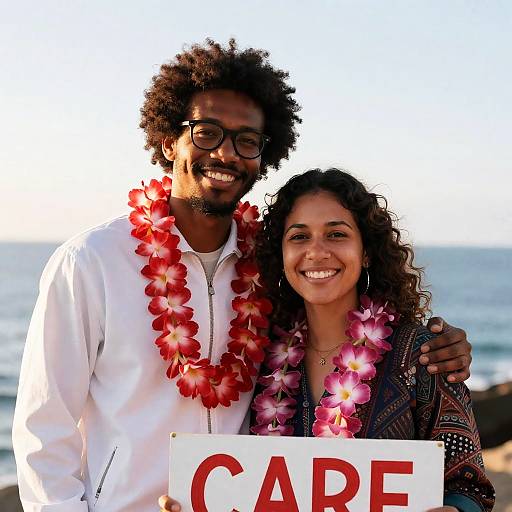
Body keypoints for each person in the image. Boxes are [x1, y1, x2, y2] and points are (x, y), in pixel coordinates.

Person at [12, 40, 472, 512]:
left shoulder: (269, 266)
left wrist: (442, 344)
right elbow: (43, 428)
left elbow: (337, 321)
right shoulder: (91, 262)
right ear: (170, 141)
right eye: (207, 132)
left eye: (246, 141)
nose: (227, 154)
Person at [249, 169, 493, 511]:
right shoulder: (259, 360)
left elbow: (471, 489)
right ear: (282, 254)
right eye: (299, 237)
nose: (316, 252)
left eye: (336, 234)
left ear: (366, 252)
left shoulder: (421, 354)